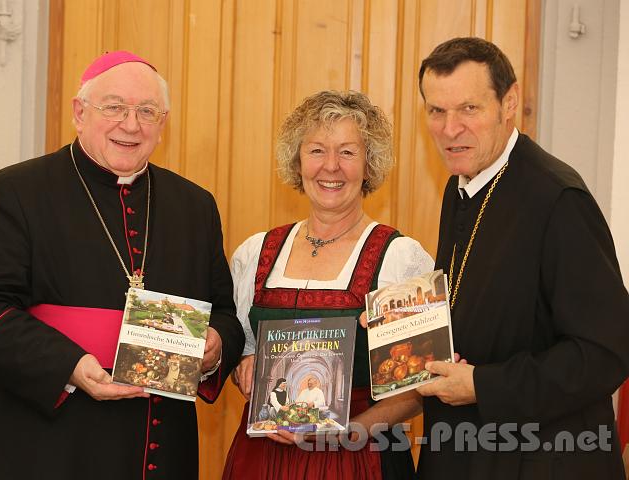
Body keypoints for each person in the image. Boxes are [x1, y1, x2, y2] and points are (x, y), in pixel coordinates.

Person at [0, 50, 244, 480]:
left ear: (163, 124)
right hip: (38, 438)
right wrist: (69, 364)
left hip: (154, 441)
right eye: (114, 107)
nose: (131, 123)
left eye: (147, 111)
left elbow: (224, 311)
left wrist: (216, 345)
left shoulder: (194, 205)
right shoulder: (16, 191)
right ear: (79, 113)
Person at [414, 37, 629, 479]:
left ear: (508, 103)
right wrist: (402, 325)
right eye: (437, 111)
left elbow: (605, 353)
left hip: (544, 458)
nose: (450, 128)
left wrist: (482, 385)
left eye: (469, 109)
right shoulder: (464, 181)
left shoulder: (558, 198)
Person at [222, 90, 434, 480]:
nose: (331, 167)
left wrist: (348, 434)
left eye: (348, 153)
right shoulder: (256, 253)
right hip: (262, 460)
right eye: (317, 150)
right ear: (297, 160)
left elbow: (418, 390)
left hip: (359, 455)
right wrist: (245, 365)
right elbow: (239, 350)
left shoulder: (402, 260)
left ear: (369, 165)